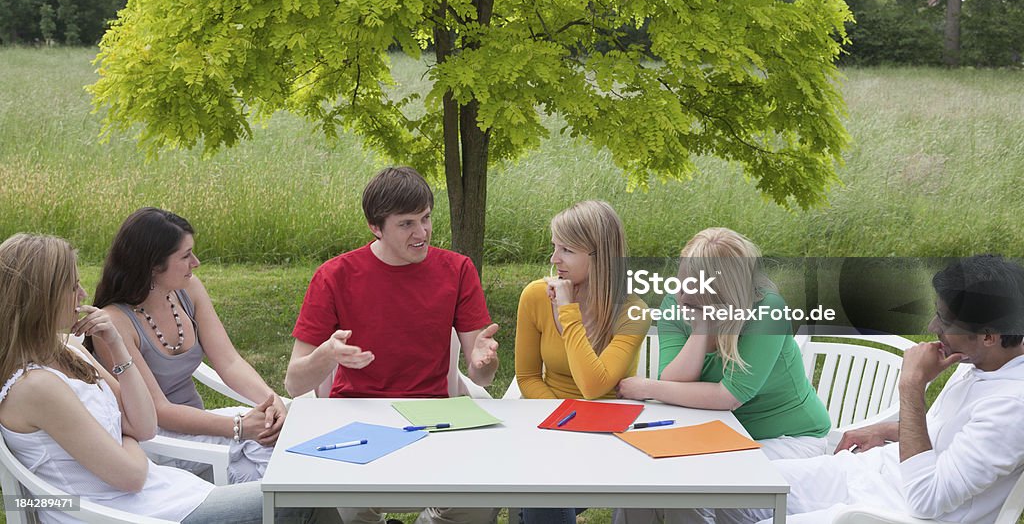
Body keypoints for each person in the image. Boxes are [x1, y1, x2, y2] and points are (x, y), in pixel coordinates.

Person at [0, 233, 335, 524]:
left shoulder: (68, 348)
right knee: (300, 498)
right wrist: (122, 433)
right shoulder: (36, 386)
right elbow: (130, 475)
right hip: (124, 513)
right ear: (40, 299)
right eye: (72, 287)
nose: (84, 294)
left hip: (162, 496)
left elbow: (144, 426)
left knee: (306, 489)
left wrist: (117, 347)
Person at [735, 254, 1024, 524]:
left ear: (988, 336)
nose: (932, 325)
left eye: (945, 320)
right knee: (733, 488)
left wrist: (912, 387)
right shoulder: (985, 362)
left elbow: (927, 498)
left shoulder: (1011, 408)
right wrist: (887, 431)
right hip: (865, 475)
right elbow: (953, 439)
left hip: (881, 510)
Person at [284, 166, 500, 524]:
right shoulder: (334, 275)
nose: (422, 233)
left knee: (478, 502)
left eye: (426, 218)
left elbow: (485, 375)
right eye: (406, 224)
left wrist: (483, 362)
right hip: (358, 418)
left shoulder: (458, 270)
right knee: (347, 511)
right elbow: (293, 383)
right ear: (375, 226)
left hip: (434, 418)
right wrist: (326, 354)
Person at [615, 227, 830, 524]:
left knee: (695, 482)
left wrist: (647, 387)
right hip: (717, 434)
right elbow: (674, 380)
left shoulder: (767, 311)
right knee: (641, 478)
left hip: (787, 437)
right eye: (682, 278)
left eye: (694, 283)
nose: (681, 292)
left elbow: (728, 396)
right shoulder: (676, 303)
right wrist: (702, 328)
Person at [90, 207, 285, 483]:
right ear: (153, 266)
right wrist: (239, 426)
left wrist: (271, 400)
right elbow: (159, 411)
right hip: (157, 441)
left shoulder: (187, 290)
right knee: (271, 467)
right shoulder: (113, 323)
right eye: (185, 256)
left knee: (278, 449)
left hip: (202, 428)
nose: (196, 262)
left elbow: (229, 361)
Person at [514, 200, 649, 524]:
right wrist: (561, 421)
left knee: (540, 493)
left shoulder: (633, 311)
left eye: (567, 250)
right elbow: (528, 376)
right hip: (548, 421)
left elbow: (593, 386)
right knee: (544, 489)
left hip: (607, 434)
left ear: (600, 256)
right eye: (554, 247)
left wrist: (567, 313)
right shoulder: (535, 296)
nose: (553, 259)